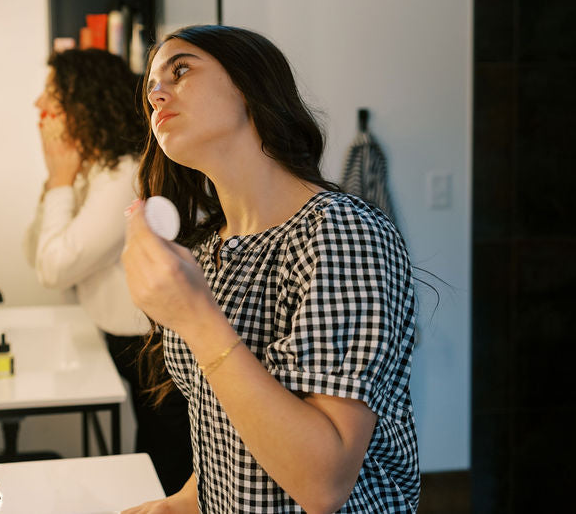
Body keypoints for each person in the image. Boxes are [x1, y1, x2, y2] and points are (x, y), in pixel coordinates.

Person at [120, 26, 419, 513]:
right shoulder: (209, 251)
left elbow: (323, 484)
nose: (156, 95)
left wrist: (196, 318)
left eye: (181, 70)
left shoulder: (342, 233)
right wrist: (181, 503)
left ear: (250, 86)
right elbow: (228, 425)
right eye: (151, 87)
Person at [24, 48, 192, 493]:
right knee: (155, 452)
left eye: (52, 94)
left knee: (166, 461)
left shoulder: (122, 176)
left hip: (155, 347)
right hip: (131, 341)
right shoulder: (93, 170)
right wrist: (57, 179)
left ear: (85, 103)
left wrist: (59, 181)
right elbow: (35, 252)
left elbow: (53, 268)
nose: (39, 105)